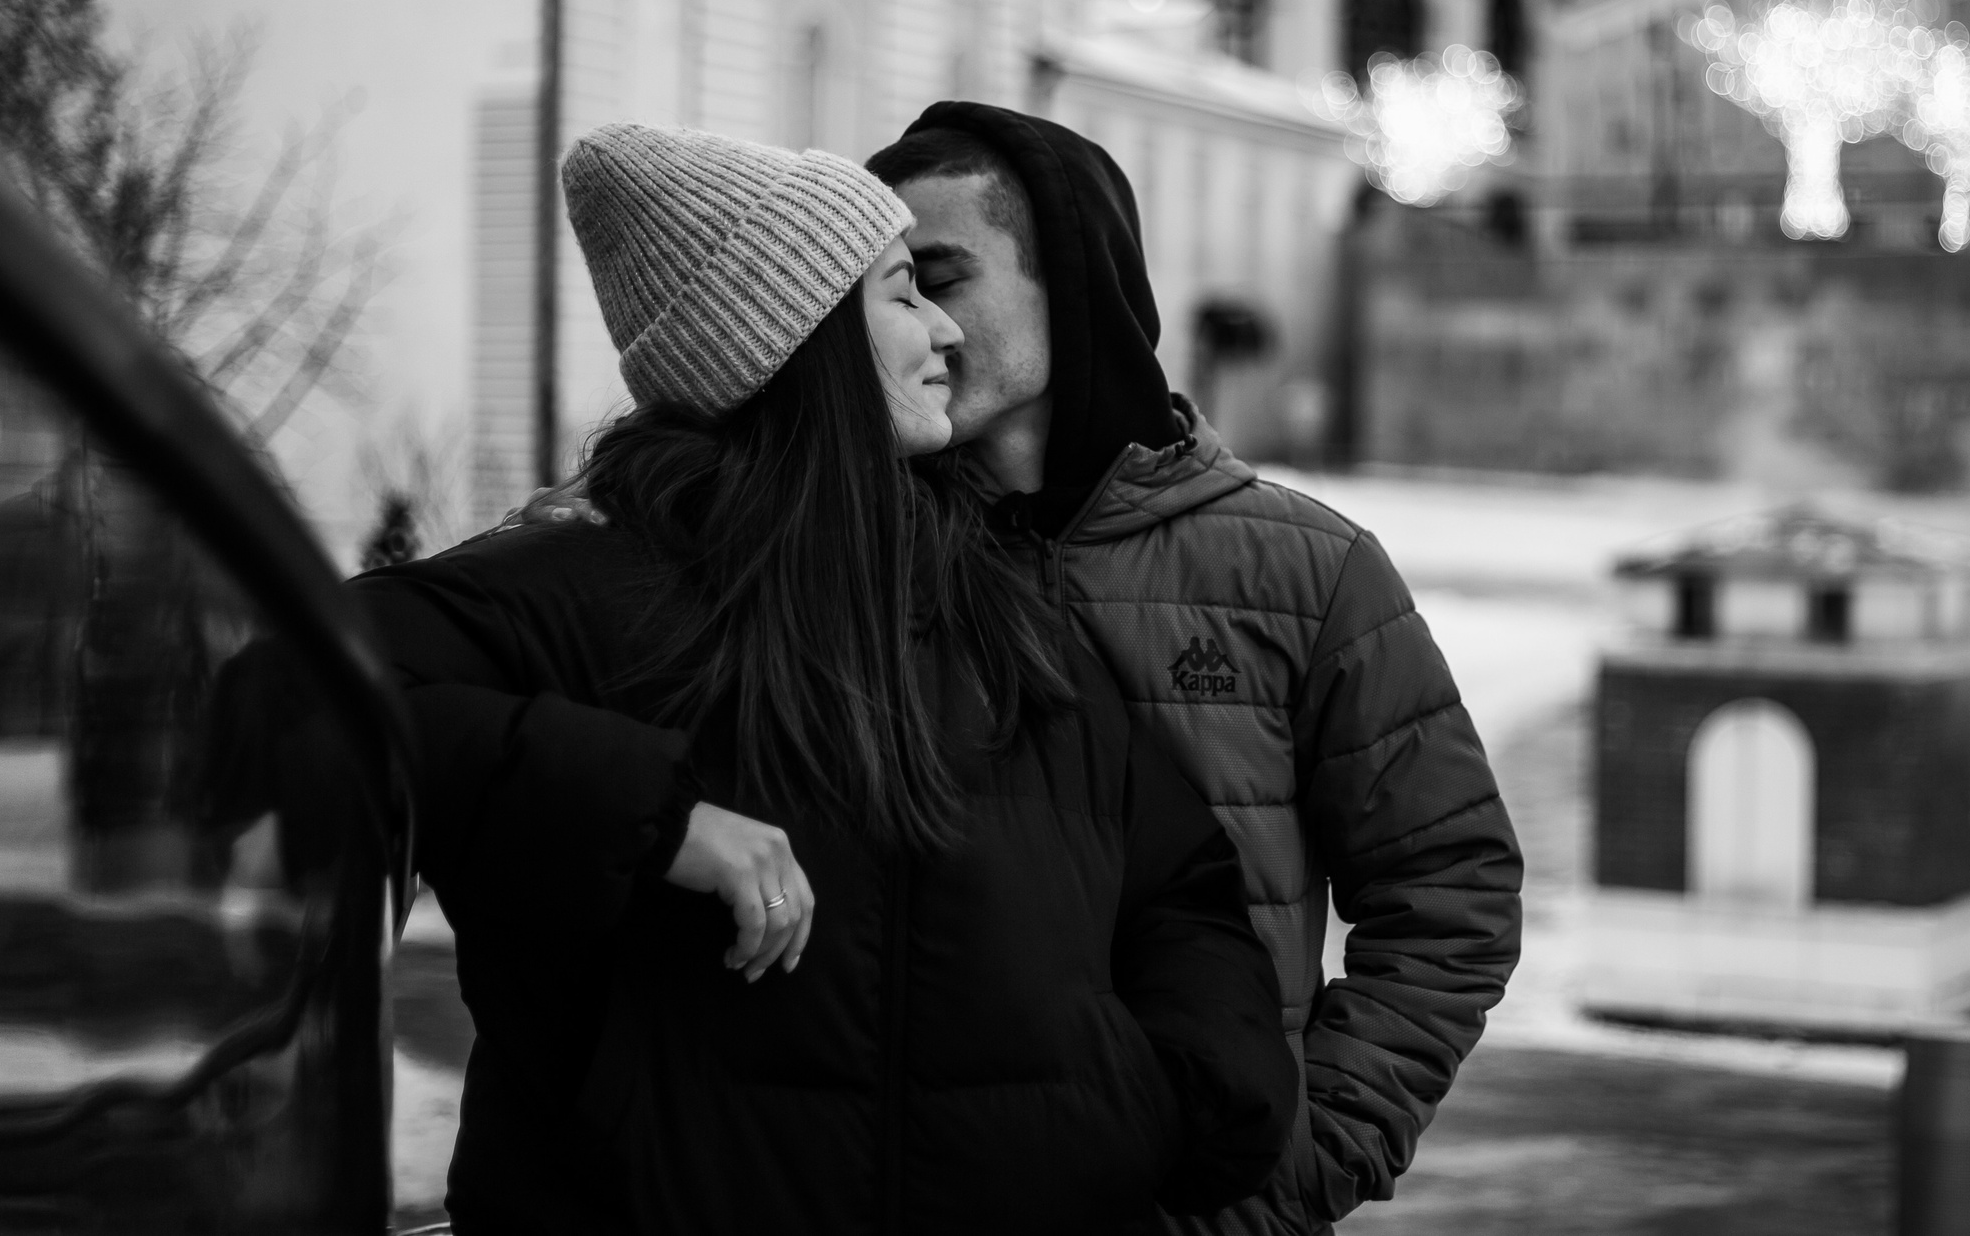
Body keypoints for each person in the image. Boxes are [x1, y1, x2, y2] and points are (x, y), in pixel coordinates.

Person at [358, 124, 1294, 1235]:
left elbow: (1176, 884)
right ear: (795, 340)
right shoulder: (583, 586)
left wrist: (1182, 1103)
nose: (944, 328)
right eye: (902, 292)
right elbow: (285, 696)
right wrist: (655, 816)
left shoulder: (992, 602)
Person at [863, 104, 1523, 1236]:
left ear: (1072, 279)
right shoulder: (848, 557)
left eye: (942, 276)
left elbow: (1448, 889)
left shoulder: (1304, 569)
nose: (920, 322)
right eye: (890, 293)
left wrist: (1304, 1158)